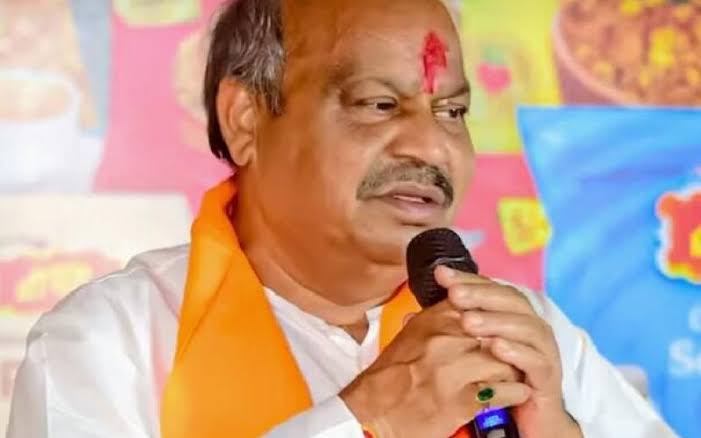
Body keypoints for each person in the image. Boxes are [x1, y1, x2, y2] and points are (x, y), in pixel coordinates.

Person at [8, 0, 678, 437]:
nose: (432, 146)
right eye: (378, 105)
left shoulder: (521, 332)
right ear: (245, 120)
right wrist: (368, 421)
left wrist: (555, 427)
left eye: (451, 112)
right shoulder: (110, 341)